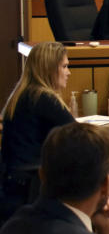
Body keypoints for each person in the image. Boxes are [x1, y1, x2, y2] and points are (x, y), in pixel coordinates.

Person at [0, 41, 75, 224]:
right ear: (50, 69)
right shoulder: (44, 99)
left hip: (12, 190)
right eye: (64, 66)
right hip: (30, 192)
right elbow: (80, 137)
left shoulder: (22, 94)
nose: (68, 72)